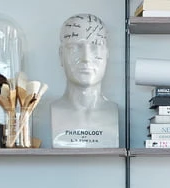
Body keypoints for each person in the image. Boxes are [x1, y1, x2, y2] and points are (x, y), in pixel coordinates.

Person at [50, 13, 119, 148]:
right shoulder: (54, 110)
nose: (86, 58)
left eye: (95, 46)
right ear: (61, 55)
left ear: (107, 54)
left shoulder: (112, 112)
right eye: (74, 47)